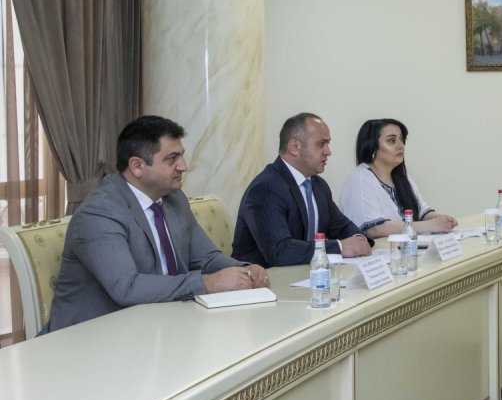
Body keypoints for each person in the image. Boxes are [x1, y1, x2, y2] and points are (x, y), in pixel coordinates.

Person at [43, 116, 269, 333]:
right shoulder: (100, 212)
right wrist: (208, 283)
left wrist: (245, 270)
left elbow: (206, 258)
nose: (184, 166)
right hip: (90, 338)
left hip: (159, 326)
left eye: (182, 156)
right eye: (172, 159)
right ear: (137, 166)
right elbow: (127, 288)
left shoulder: (174, 199)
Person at [233, 112, 372, 267]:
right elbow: (280, 251)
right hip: (266, 278)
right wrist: (339, 247)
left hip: (306, 274)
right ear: (294, 147)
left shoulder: (318, 185)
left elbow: (343, 227)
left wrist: (359, 240)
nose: (328, 152)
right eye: (321, 144)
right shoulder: (266, 188)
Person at [340, 118, 458, 237]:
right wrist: (430, 225)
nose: (400, 145)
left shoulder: (402, 176)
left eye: (401, 140)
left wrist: (440, 219)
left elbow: (422, 212)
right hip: (378, 248)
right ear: (372, 147)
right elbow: (374, 229)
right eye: (392, 141)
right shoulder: (360, 178)